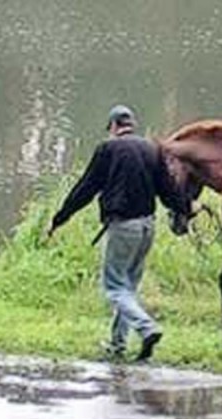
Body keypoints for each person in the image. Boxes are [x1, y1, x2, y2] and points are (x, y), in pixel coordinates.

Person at [47, 105, 187, 361]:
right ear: (131, 124)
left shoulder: (107, 149)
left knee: (113, 288)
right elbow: (169, 190)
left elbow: (85, 188)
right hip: (147, 227)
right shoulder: (152, 149)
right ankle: (117, 345)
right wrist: (184, 210)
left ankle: (147, 328)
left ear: (113, 126)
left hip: (123, 227)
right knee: (128, 289)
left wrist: (60, 217)